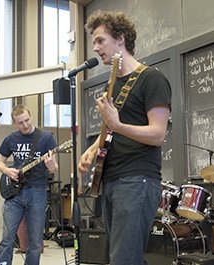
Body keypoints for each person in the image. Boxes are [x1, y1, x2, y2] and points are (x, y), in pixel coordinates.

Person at [78, 10, 171, 265]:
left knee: (123, 259)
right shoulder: (112, 84)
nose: (95, 48)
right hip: (111, 180)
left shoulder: (152, 78)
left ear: (120, 38)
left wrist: (117, 124)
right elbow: (111, 129)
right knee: (124, 256)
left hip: (137, 180)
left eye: (100, 40)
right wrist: (93, 149)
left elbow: (158, 134)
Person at [0, 105, 58, 265]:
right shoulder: (11, 138)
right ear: (15, 124)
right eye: (20, 123)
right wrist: (7, 171)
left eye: (27, 120)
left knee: (35, 242)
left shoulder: (46, 138)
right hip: (14, 193)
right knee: (7, 238)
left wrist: (50, 163)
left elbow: (54, 169)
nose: (25, 125)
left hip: (37, 192)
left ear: (31, 116)